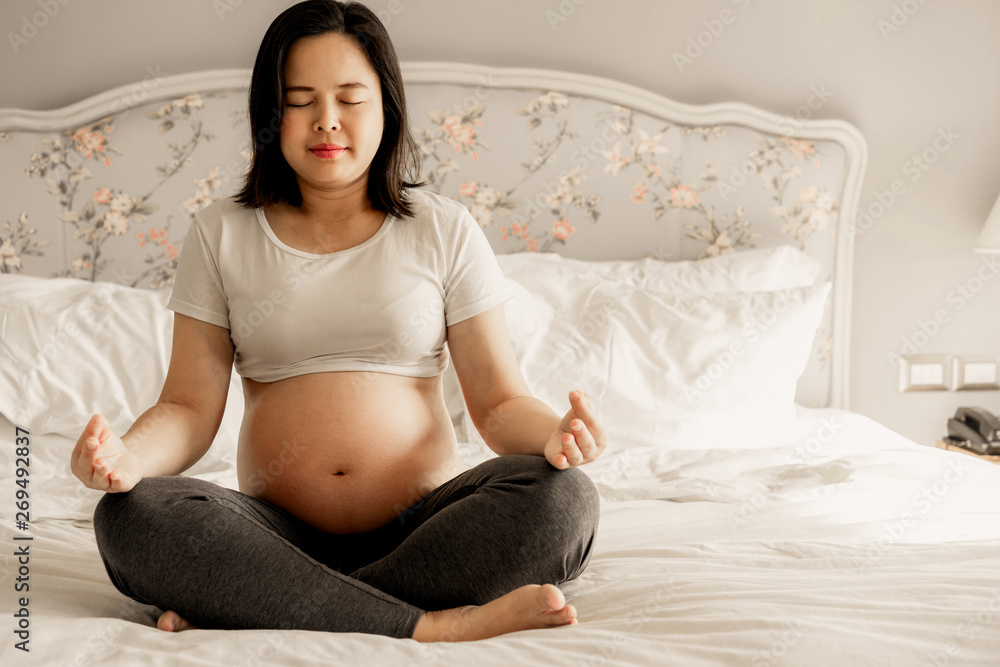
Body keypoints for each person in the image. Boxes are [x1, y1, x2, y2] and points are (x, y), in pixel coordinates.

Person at [70, 0, 605, 643]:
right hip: (272, 532)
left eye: (351, 98)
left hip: (425, 531)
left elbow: (497, 404)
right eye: (300, 100)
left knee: (563, 499)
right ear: (272, 113)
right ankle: (428, 624)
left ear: (387, 108)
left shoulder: (442, 229)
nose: (327, 121)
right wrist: (127, 456)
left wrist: (555, 435)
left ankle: (258, 600)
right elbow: (188, 407)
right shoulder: (221, 234)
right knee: (133, 516)